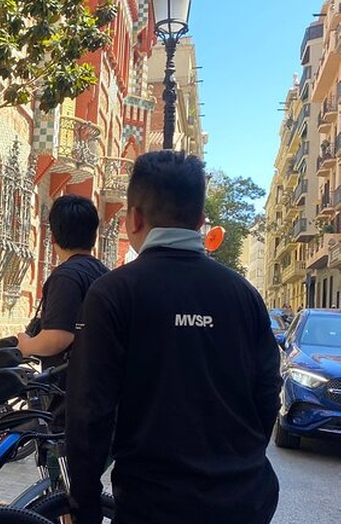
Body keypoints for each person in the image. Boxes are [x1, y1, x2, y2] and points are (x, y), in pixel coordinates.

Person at [66, 150, 281, 524]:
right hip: (244, 500)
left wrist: (82, 507)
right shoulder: (244, 296)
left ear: (134, 218)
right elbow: (267, 396)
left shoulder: (113, 294)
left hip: (152, 505)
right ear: (200, 220)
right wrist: (236, 465)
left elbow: (89, 414)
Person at [15, 195, 109, 365]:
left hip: (68, 384)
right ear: (94, 235)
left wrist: (26, 346)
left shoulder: (66, 277)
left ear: (53, 236)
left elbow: (57, 337)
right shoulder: (104, 273)